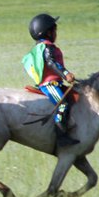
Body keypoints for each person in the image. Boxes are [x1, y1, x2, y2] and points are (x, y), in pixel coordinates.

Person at [23, 13, 78, 146]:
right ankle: (60, 136)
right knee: (63, 104)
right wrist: (66, 74)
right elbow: (51, 63)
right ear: (48, 33)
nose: (56, 33)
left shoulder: (42, 47)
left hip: (55, 83)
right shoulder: (47, 48)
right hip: (49, 85)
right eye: (54, 30)